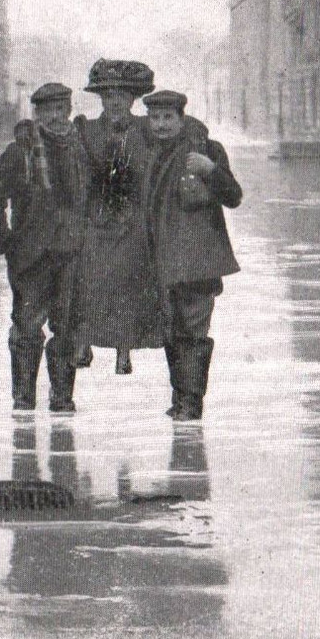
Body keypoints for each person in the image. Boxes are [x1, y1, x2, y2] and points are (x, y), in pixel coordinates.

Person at [0, 82, 89, 412]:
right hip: (31, 258)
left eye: (60, 109)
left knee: (67, 328)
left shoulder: (81, 150)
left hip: (73, 253)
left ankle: (62, 400)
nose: (55, 117)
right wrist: (9, 244)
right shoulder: (20, 153)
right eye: (47, 111)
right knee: (27, 328)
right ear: (37, 114)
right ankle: (24, 400)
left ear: (69, 110)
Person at [141, 90, 242, 421]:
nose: (161, 125)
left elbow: (234, 196)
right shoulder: (146, 153)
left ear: (180, 119)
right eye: (155, 118)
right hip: (163, 259)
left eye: (168, 118)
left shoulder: (207, 150)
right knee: (172, 329)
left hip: (199, 260)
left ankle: (192, 403)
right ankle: (180, 398)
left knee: (194, 330)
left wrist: (211, 169)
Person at [72, 58, 162, 373]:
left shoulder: (147, 129)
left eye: (122, 97)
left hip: (134, 216)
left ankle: (124, 350)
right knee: (91, 278)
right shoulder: (85, 129)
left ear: (132, 100)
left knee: (129, 281)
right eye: (109, 97)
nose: (115, 103)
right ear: (101, 99)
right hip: (96, 215)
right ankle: (85, 340)